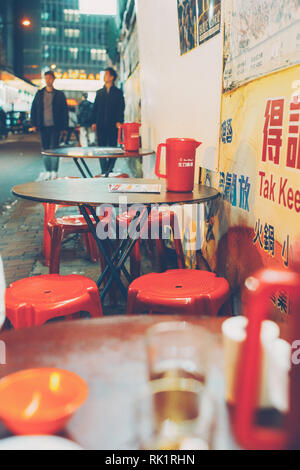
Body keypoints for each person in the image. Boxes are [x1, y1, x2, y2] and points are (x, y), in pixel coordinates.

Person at [30, 70, 68, 177]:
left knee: (54, 148)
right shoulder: (39, 93)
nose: (48, 80)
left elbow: (64, 111)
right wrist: (33, 124)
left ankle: (54, 171)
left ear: (53, 79)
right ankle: (48, 171)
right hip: (42, 125)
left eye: (50, 78)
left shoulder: (59, 94)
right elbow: (34, 109)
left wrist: (65, 127)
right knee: (45, 149)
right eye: (46, 78)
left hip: (56, 126)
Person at [91, 67, 125, 174]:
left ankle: (109, 168)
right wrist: (93, 122)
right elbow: (95, 108)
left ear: (112, 77)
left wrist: (119, 121)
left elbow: (121, 108)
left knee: (113, 148)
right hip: (100, 124)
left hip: (113, 125)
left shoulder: (118, 92)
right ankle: (104, 170)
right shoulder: (99, 92)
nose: (104, 76)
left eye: (106, 74)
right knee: (101, 148)